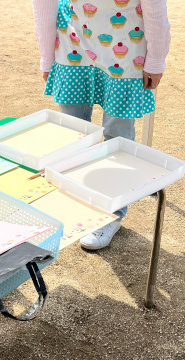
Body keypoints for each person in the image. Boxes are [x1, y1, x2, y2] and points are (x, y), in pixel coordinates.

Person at [32, 0, 170, 249]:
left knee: (117, 135)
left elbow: (155, 9)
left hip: (126, 42)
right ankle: (75, 200)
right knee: (72, 130)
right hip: (72, 40)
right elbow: (44, 4)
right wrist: (46, 57)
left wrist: (156, 60)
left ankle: (111, 212)